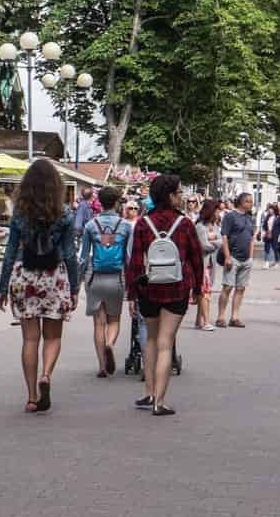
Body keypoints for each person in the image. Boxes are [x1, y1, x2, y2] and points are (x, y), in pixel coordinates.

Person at [0, 159, 79, 414]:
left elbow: (10, 252)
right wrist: (75, 287)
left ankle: (32, 396)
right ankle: (46, 374)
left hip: (25, 276)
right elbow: (69, 254)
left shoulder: (20, 213)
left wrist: (2, 287)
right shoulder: (65, 213)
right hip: (54, 276)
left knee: (30, 339)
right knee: (52, 336)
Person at [126, 175, 205, 415]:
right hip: (177, 288)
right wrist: (198, 288)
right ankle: (160, 401)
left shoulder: (142, 224)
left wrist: (132, 293)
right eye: (178, 192)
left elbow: (136, 262)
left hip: (148, 288)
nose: (181, 197)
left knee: (150, 339)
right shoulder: (185, 224)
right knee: (165, 343)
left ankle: (148, 393)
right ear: (169, 195)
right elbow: (196, 259)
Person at [78, 186, 132, 378]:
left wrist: (77, 284)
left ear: (99, 202)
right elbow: (129, 257)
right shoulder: (125, 226)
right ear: (117, 202)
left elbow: (83, 257)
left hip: (95, 277)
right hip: (117, 278)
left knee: (98, 324)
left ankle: (102, 365)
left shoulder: (91, 225)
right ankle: (110, 344)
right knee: (114, 320)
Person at [218, 192, 255, 327]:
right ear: (241, 202)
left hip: (246, 259)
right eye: (248, 201)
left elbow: (251, 238)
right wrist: (227, 257)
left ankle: (235, 317)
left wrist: (251, 257)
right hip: (233, 257)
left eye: (251, 201)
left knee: (240, 288)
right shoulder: (230, 216)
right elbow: (224, 236)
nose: (251, 204)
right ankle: (221, 317)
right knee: (227, 287)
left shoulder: (250, 218)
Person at [194, 199, 223, 331]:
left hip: (211, 264)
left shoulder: (215, 226)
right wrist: (215, 242)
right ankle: (206, 322)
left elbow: (221, 240)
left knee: (203, 292)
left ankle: (198, 320)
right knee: (205, 292)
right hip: (202, 263)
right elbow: (203, 245)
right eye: (217, 210)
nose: (219, 213)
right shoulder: (200, 226)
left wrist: (214, 241)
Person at [259, 203, 280, 269]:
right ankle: (266, 263)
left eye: (271, 209)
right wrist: (265, 232)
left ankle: (276, 262)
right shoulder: (267, 217)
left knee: (275, 249)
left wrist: (279, 235)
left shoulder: (278, 217)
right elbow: (264, 225)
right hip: (268, 234)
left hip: (275, 235)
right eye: (269, 209)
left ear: (274, 210)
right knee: (267, 249)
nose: (270, 211)